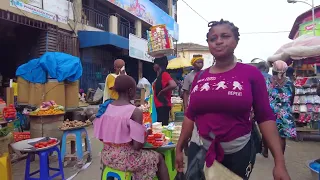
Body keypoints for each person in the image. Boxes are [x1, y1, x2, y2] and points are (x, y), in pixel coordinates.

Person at [175, 19, 290, 180]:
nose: (219, 41)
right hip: (202, 150)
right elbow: (190, 114)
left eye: (225, 36)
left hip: (238, 154)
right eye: (213, 39)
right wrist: (179, 147)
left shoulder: (251, 74)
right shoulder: (200, 77)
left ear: (236, 41)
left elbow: (265, 117)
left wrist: (279, 163)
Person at [94, 75, 170, 180]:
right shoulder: (134, 111)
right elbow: (137, 146)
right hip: (125, 159)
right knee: (159, 158)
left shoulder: (108, 108)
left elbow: (103, 137)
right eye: (135, 90)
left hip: (107, 156)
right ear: (130, 91)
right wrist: (146, 134)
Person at [263, 60, 296, 158]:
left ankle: (265, 149)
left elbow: (262, 97)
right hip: (285, 113)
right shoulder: (290, 84)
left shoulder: (267, 82)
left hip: (269, 113)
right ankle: (279, 158)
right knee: (282, 137)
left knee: (267, 133)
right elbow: (291, 99)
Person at [182, 55, 204, 165]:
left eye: (202, 62)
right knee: (189, 127)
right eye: (198, 62)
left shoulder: (206, 74)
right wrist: (186, 105)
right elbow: (185, 92)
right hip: (192, 103)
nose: (201, 64)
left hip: (203, 105)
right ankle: (186, 145)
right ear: (193, 64)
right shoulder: (188, 77)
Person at [153, 56, 177, 125]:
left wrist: (162, 91)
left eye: (154, 64)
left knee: (162, 127)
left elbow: (173, 85)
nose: (153, 66)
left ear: (159, 65)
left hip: (163, 105)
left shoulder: (164, 74)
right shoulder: (159, 76)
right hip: (160, 106)